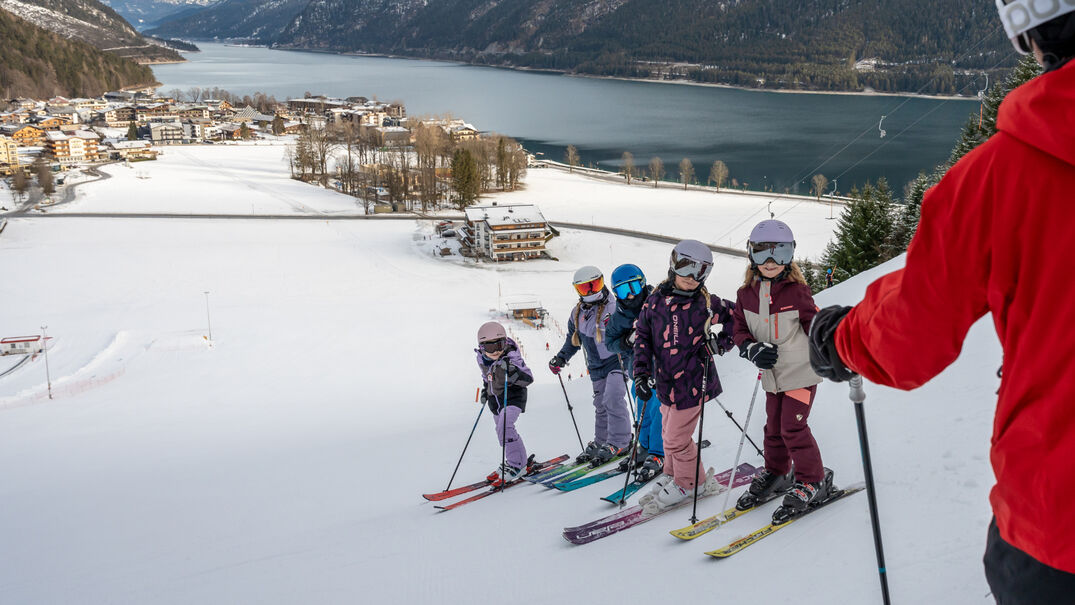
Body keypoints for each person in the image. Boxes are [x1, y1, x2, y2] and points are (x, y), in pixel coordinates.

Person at [807, 4, 1075, 602]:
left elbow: (911, 333)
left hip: (1057, 527)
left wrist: (840, 338)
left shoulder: (1001, 175)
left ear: (1033, 32)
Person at [732, 220, 831, 524]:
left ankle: (812, 479)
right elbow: (739, 330)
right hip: (773, 378)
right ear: (751, 255)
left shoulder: (797, 292)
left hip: (801, 374)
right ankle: (776, 472)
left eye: (780, 253)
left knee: (793, 428)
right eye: (762, 253)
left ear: (790, 256)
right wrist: (751, 348)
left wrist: (833, 344)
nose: (771, 262)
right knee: (772, 429)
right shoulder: (745, 295)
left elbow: (814, 326)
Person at [633, 240, 735, 510]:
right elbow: (642, 336)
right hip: (665, 383)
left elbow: (738, 318)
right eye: (685, 268)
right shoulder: (655, 301)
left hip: (693, 382)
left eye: (700, 271)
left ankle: (693, 484)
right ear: (672, 264)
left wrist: (719, 344)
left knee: (676, 438)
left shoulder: (705, 304)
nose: (691, 278)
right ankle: (673, 474)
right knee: (668, 434)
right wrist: (641, 374)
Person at [549, 266, 632, 465]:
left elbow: (629, 331)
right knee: (600, 405)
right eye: (585, 288)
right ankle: (602, 441)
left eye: (595, 285)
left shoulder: (614, 307)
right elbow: (573, 340)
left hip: (616, 361)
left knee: (613, 398)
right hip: (596, 366)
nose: (592, 291)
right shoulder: (577, 313)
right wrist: (561, 358)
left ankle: (621, 441)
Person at [605, 263, 664, 480]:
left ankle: (659, 452)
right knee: (642, 411)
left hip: (661, 370)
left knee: (658, 409)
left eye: (634, 288)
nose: (630, 296)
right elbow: (610, 342)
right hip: (637, 372)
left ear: (643, 284)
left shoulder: (659, 302)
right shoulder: (619, 316)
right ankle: (645, 446)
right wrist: (626, 340)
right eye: (622, 290)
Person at [475, 321, 535, 486]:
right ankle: (513, 461)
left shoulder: (512, 358)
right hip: (496, 401)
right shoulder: (482, 359)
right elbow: (486, 378)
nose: (495, 351)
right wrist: (485, 391)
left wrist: (512, 371)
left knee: (505, 427)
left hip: (514, 397)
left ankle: (518, 465)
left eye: (499, 345)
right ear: (482, 348)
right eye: (490, 348)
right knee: (501, 430)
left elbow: (528, 379)